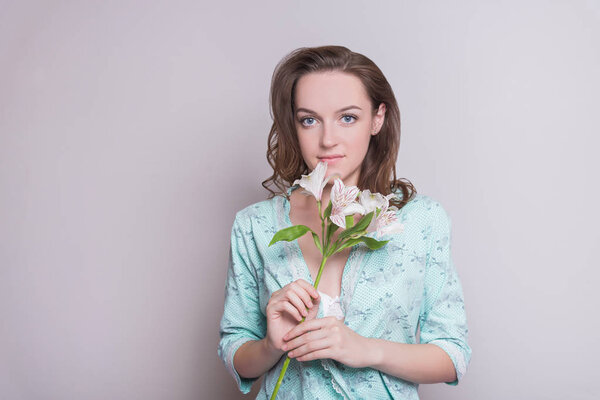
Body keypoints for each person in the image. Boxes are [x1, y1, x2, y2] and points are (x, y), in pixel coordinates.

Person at [217, 45, 471, 399]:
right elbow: (236, 349)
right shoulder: (254, 226)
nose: (327, 139)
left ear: (377, 118)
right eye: (309, 120)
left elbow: (453, 354)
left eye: (347, 117)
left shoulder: (421, 221)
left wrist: (366, 349)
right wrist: (272, 345)